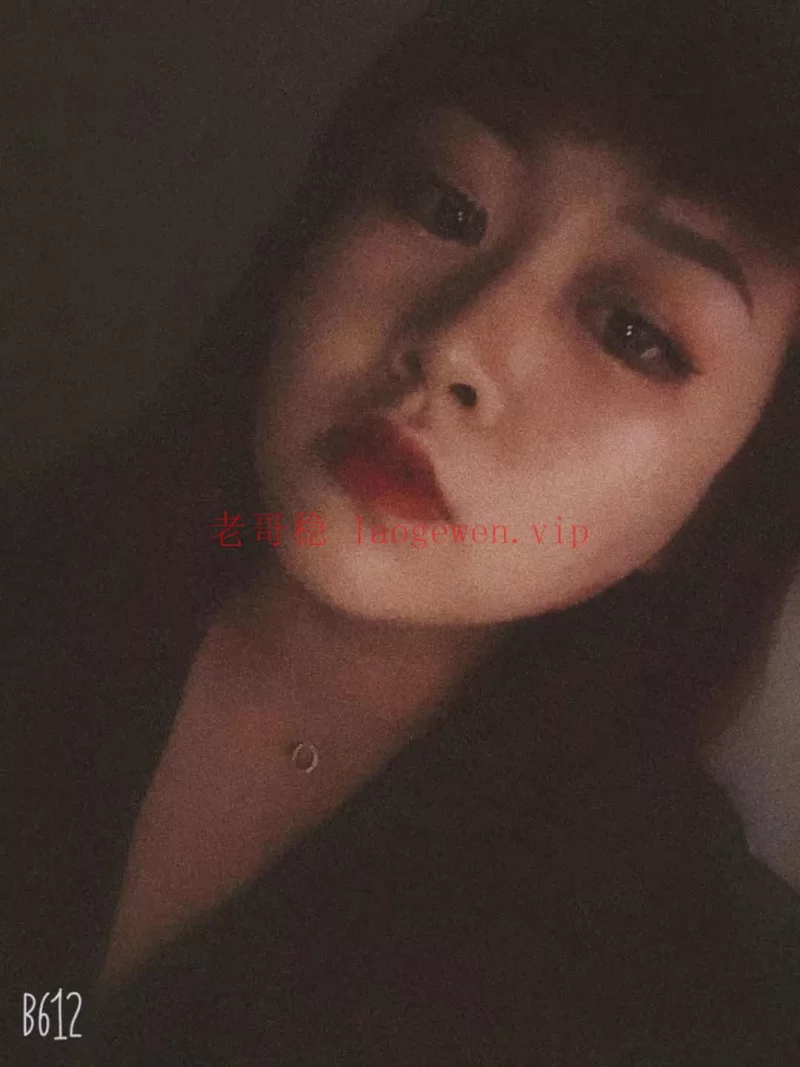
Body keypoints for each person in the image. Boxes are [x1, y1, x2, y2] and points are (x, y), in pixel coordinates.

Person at [10, 0, 800, 1062]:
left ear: (724, 502)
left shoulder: (698, 992)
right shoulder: (40, 582)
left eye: (631, 330)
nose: (455, 345)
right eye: (444, 204)